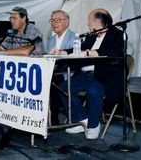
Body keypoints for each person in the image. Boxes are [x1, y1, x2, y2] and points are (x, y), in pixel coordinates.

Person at [50, 8, 124, 139]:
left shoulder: (116, 34)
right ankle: (81, 120)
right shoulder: (92, 36)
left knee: (94, 90)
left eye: (90, 22)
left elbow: (113, 52)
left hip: (104, 77)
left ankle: (94, 125)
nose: (88, 25)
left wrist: (89, 53)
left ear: (98, 22)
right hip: (84, 75)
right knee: (62, 88)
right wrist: (61, 52)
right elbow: (78, 49)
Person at [47, 10, 75, 125]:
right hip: (53, 71)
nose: (54, 23)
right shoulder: (51, 40)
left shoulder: (74, 38)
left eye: (57, 20)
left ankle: (53, 119)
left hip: (68, 72)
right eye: (52, 20)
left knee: (51, 81)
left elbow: (73, 62)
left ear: (67, 23)